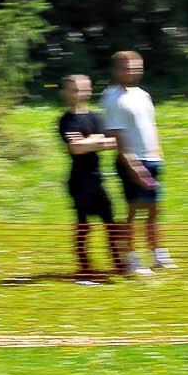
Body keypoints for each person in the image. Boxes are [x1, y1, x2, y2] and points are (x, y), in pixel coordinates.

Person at [98, 50, 173, 275]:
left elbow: (151, 125)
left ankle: (158, 254)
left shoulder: (142, 95)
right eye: (126, 68)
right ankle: (131, 259)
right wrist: (132, 165)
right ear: (116, 70)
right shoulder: (112, 98)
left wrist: (158, 154)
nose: (131, 72)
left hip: (152, 158)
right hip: (131, 160)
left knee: (154, 209)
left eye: (136, 68)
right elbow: (116, 135)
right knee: (134, 210)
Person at [57, 74, 122, 280]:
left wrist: (89, 142)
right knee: (83, 225)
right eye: (74, 90)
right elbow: (75, 148)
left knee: (110, 222)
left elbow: (112, 142)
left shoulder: (95, 117)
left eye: (83, 90)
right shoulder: (66, 120)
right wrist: (96, 140)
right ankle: (85, 268)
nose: (79, 94)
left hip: (96, 178)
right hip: (78, 180)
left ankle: (119, 263)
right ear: (66, 93)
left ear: (90, 91)